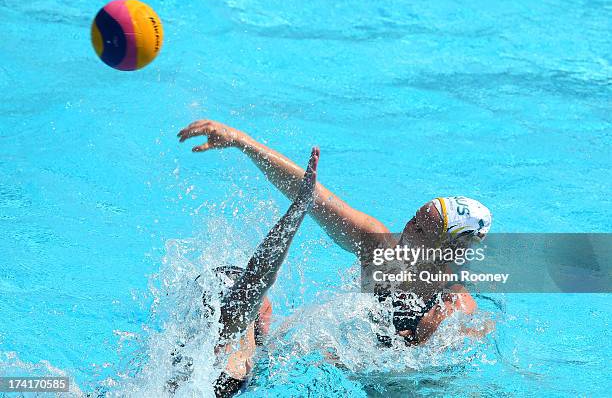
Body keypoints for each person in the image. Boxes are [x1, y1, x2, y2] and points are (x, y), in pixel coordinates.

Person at [178, 120, 493, 346]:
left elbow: (467, 332)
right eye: (413, 218)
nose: (409, 228)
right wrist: (242, 142)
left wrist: (434, 333)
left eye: (423, 229)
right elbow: (310, 194)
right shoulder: (378, 246)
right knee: (256, 309)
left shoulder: (452, 302)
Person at [168, 145, 319, 396]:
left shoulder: (189, 353)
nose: (267, 301)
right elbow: (259, 274)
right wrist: (299, 208)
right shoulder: (228, 334)